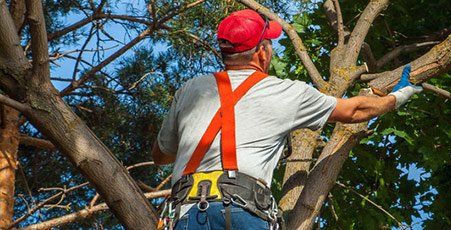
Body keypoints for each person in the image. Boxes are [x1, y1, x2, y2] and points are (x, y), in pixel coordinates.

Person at [152, 9, 422, 230]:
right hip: (243, 214)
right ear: (261, 52)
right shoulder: (286, 92)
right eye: (269, 44)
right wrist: (396, 97)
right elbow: (355, 111)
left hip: (184, 215)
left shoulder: (191, 90)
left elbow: (161, 155)